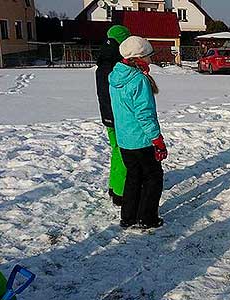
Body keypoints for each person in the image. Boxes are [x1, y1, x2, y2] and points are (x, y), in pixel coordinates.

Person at [109, 36, 168, 229]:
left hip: (125, 140)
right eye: (148, 56)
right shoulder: (139, 81)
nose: (151, 60)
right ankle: (147, 218)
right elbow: (145, 115)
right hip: (142, 140)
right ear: (139, 58)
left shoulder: (115, 77)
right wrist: (157, 140)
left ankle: (128, 216)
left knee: (133, 177)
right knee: (153, 178)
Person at [95, 25, 130, 206]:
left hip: (107, 115)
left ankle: (113, 185)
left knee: (116, 150)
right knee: (124, 153)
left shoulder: (103, 63)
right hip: (119, 116)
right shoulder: (116, 66)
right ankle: (121, 193)